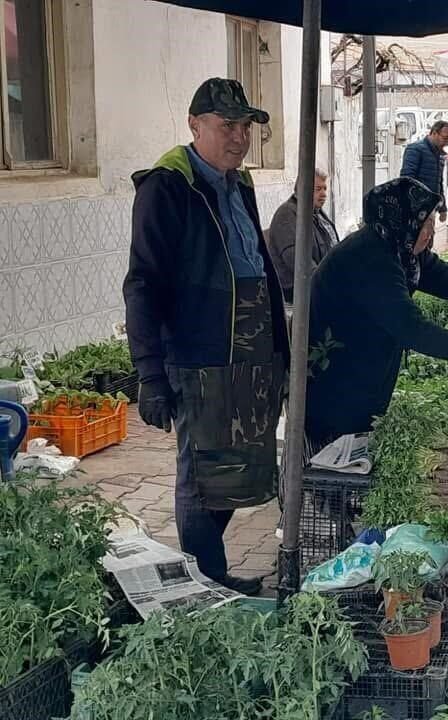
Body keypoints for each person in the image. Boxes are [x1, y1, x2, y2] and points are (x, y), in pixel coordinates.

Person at [124, 78, 289, 596]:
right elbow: (143, 283)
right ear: (195, 125)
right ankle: (208, 582)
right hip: (200, 355)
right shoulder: (167, 187)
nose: (238, 137)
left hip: (250, 353)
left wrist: (280, 347)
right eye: (226, 126)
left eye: (244, 127)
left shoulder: (240, 184)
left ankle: (208, 572)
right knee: (201, 473)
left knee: (237, 468)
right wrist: (150, 372)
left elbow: (257, 263)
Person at [304, 177, 448, 447]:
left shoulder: (401, 247)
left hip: (364, 366)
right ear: (403, 219)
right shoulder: (371, 258)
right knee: (335, 457)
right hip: (336, 378)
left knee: (360, 438)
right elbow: (411, 328)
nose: (429, 232)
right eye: (424, 223)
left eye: (430, 222)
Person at [267, 168, 339, 303]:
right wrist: (326, 282)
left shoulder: (316, 213)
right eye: (318, 189)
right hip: (297, 290)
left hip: (319, 282)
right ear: (303, 189)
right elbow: (297, 260)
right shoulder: (287, 214)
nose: (323, 194)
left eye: (325, 189)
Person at [401, 121, 448, 223]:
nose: (446, 143)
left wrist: (443, 208)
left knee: (427, 238)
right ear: (434, 133)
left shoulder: (438, 155)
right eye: (445, 138)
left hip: (430, 208)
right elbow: (406, 179)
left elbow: (438, 183)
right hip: (417, 209)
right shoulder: (415, 149)